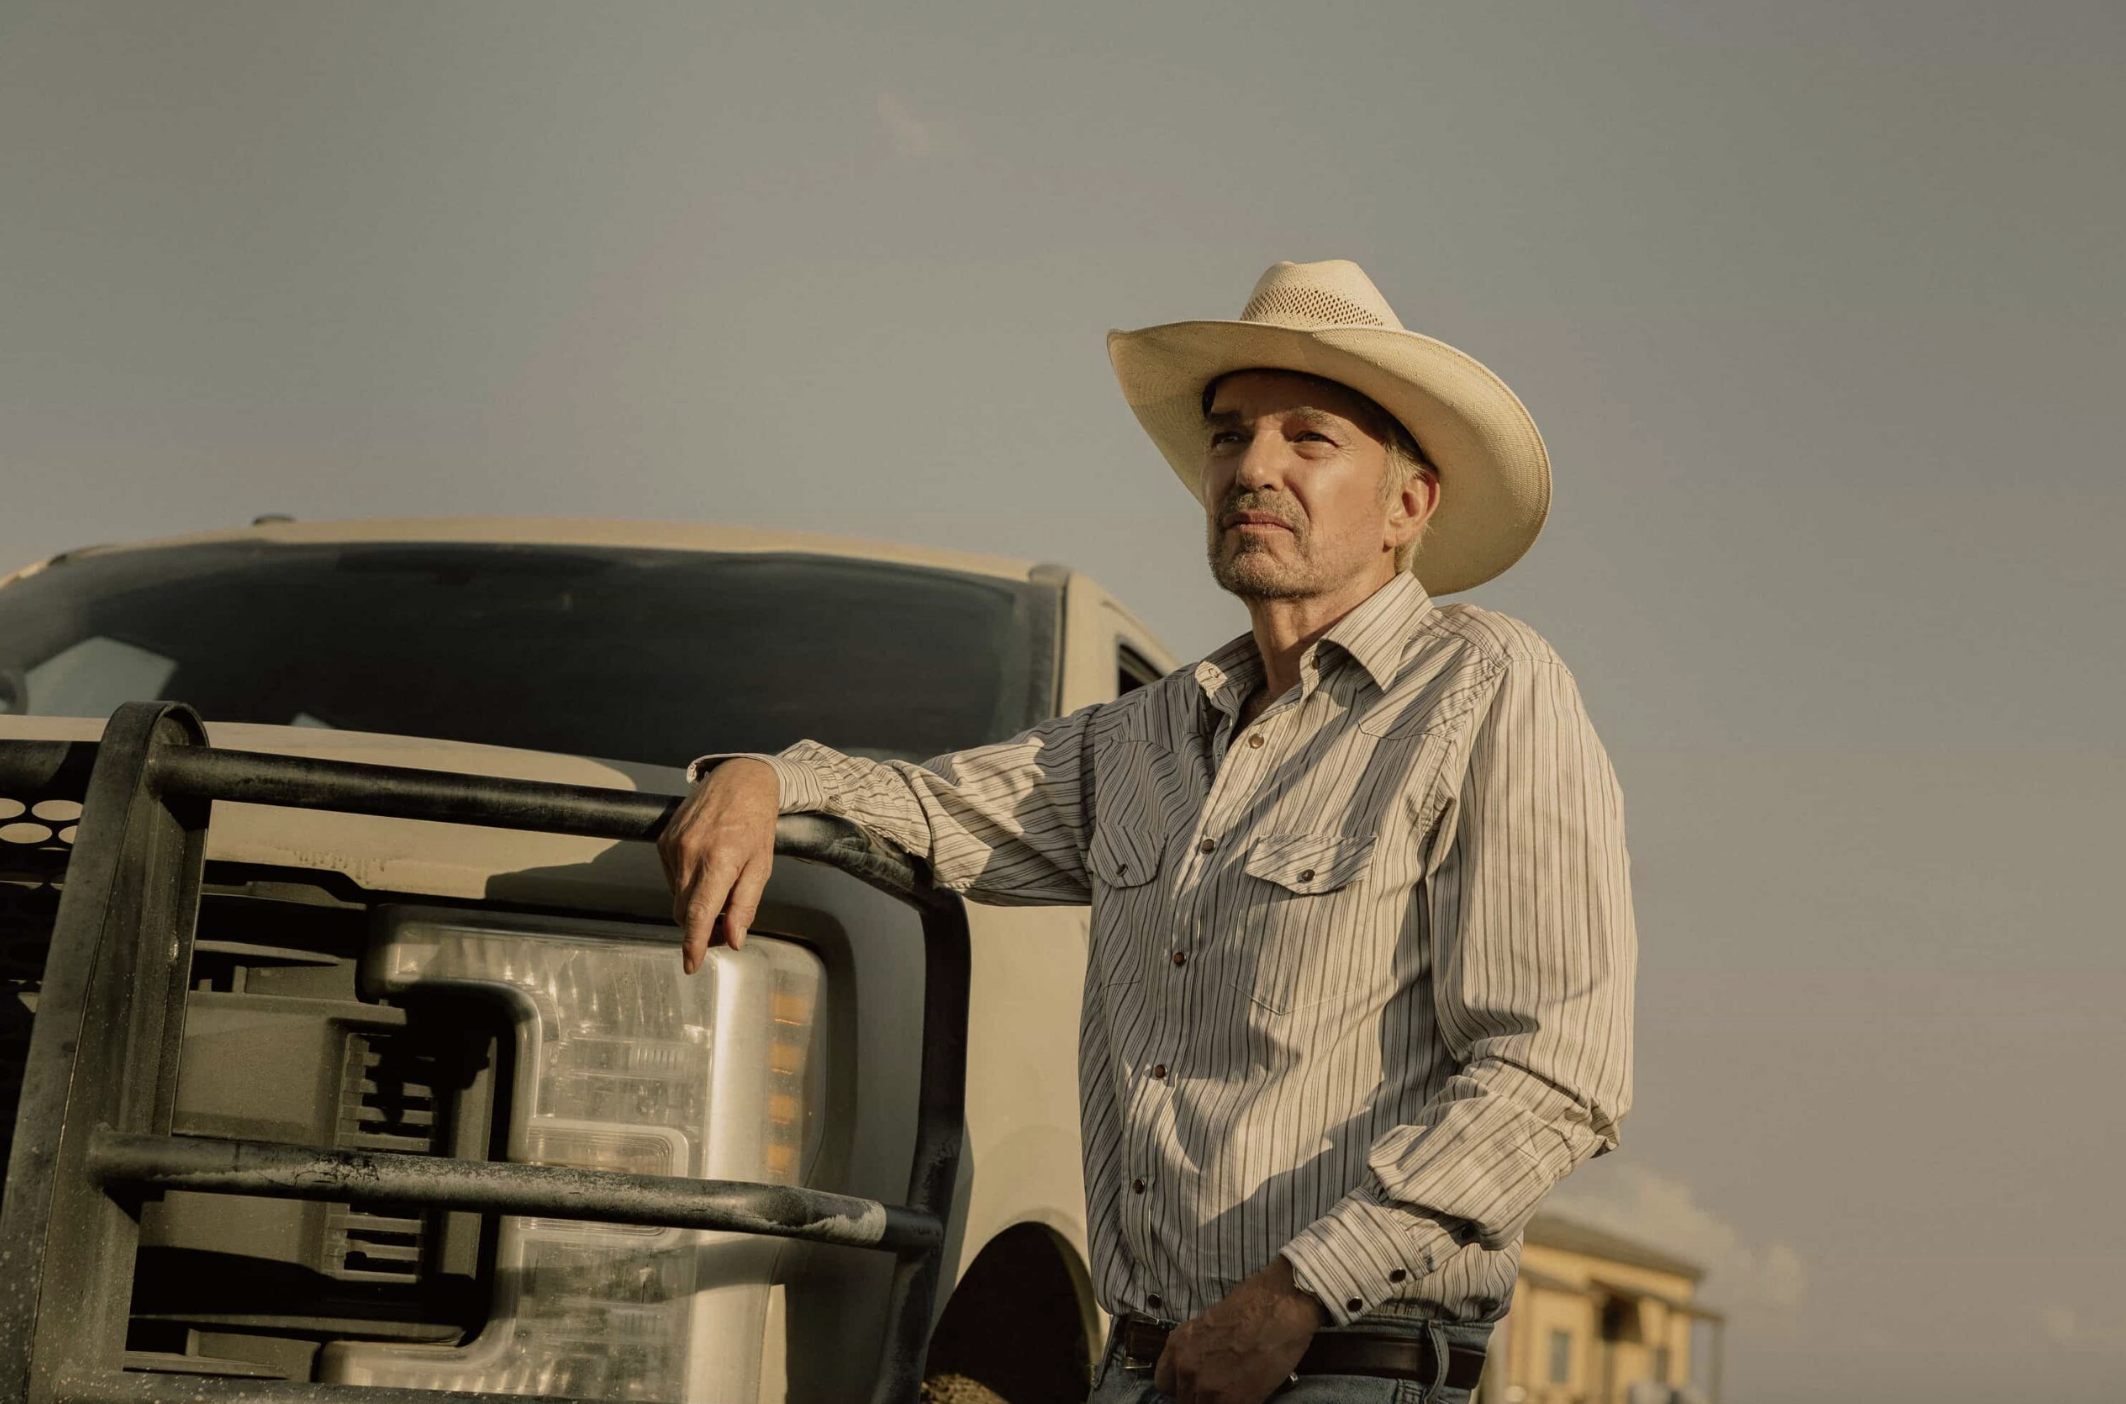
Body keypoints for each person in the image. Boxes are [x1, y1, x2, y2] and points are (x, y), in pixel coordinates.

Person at [658, 259, 1636, 1404]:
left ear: (1405, 506)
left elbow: (1552, 1072)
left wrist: (1293, 1294)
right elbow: (925, 806)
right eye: (1229, 437)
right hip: (1138, 1368)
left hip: (1345, 1366)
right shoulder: (1144, 737)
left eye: (1308, 439)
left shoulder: (1484, 688)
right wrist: (762, 777)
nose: (1252, 468)